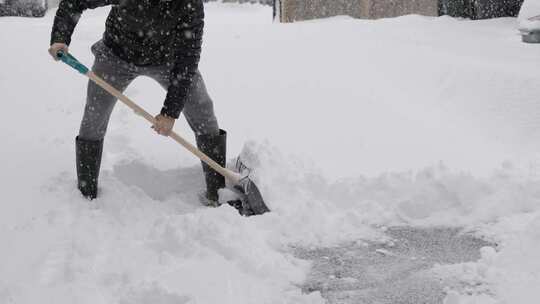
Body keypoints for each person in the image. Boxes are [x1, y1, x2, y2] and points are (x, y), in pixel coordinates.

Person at [48, 0, 227, 206]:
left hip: (168, 60)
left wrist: (170, 112)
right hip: (116, 57)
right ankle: (86, 195)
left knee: (202, 109)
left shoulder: (190, 4)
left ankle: (218, 191)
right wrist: (60, 38)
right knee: (94, 117)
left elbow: (188, 57)